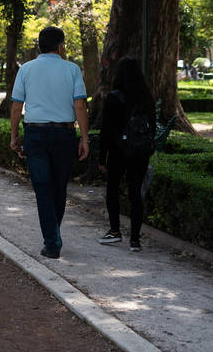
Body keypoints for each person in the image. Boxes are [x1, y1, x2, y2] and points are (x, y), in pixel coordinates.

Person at [9, 26, 89, 259]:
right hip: (64, 135)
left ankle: (52, 240)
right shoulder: (72, 69)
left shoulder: (26, 70)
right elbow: (80, 105)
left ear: (39, 46)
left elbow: (16, 106)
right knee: (58, 188)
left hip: (35, 135)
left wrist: (14, 136)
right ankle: (53, 238)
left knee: (43, 189)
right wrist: (84, 139)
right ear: (61, 46)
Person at [98, 57, 156, 252]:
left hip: (118, 151)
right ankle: (135, 240)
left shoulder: (114, 97)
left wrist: (101, 156)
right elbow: (153, 127)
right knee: (135, 194)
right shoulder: (147, 97)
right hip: (140, 151)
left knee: (112, 190)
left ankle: (115, 231)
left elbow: (105, 130)